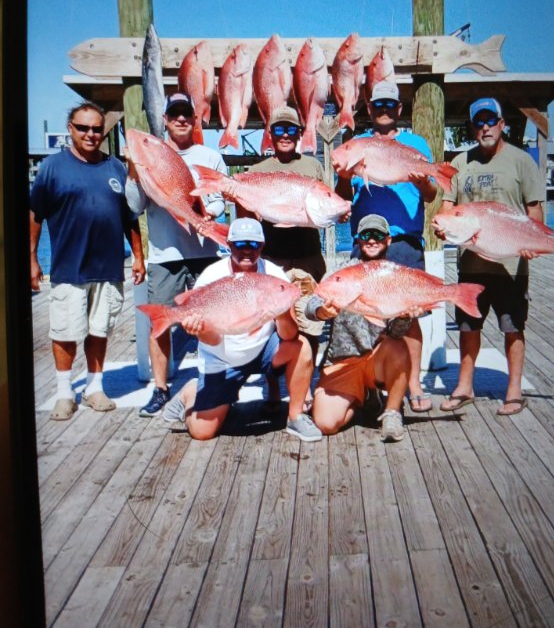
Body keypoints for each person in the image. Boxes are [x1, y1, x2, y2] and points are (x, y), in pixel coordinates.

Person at [30, 101, 145, 421]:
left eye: (97, 128)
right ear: (71, 129)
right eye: (83, 128)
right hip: (68, 267)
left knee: (99, 330)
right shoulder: (52, 167)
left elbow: (130, 217)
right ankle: (65, 393)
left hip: (108, 268)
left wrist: (138, 256)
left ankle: (94, 388)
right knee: (65, 331)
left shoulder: (116, 168)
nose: (91, 134)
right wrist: (32, 260)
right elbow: (35, 215)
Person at [161, 218, 323, 442]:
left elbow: (289, 336)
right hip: (222, 360)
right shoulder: (211, 276)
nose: (247, 250)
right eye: (240, 244)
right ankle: (191, 391)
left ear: (263, 246)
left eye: (254, 245)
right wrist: (199, 329)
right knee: (201, 432)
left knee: (301, 346)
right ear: (229, 245)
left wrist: (283, 312)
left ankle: (295, 417)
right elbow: (212, 340)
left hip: (264, 352)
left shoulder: (274, 276)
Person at [433, 97, 545, 416]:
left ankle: (513, 391)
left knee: (512, 327)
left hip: (511, 263)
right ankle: (465, 387)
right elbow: (447, 207)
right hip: (472, 263)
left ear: (501, 124)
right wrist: (442, 225)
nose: (484, 127)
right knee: (469, 328)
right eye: (478, 122)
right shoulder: (459, 162)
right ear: (472, 127)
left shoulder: (521, 161)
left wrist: (534, 241)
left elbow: (534, 209)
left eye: (490, 120)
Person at [334, 80, 437, 414]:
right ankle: (374, 380)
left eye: (389, 105)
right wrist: (345, 178)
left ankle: (414, 383)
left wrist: (425, 182)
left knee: (410, 315)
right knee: (364, 313)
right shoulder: (357, 144)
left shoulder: (415, 143)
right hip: (366, 241)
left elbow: (432, 194)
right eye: (378, 105)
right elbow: (342, 197)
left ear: (399, 109)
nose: (383, 110)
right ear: (370, 108)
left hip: (405, 240)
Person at [125, 91, 227, 417]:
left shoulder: (209, 156)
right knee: (160, 323)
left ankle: (213, 380)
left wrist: (207, 214)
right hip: (163, 256)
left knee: (210, 320)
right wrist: (132, 171)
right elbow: (134, 205)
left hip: (205, 253)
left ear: (194, 120)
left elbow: (220, 198)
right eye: (175, 114)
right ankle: (160, 388)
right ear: (165, 120)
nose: (181, 119)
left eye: (187, 114)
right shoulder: (153, 153)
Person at [239, 105, 328, 405]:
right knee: (273, 326)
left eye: (292, 129)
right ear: (270, 134)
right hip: (272, 260)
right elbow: (247, 218)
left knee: (310, 323)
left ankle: (305, 385)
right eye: (279, 129)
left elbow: (324, 208)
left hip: (308, 258)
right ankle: (273, 387)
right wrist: (237, 198)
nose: (286, 134)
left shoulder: (313, 167)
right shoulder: (255, 172)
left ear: (301, 134)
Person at [306, 214, 417, 442]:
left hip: (376, 359)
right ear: (358, 240)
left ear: (388, 240)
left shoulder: (396, 275)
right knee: (326, 424)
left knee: (399, 346)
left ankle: (392, 413)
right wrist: (320, 312)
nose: (372, 240)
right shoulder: (343, 271)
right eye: (366, 235)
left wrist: (405, 317)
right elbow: (313, 303)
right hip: (341, 362)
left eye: (378, 235)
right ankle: (364, 398)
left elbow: (396, 332)